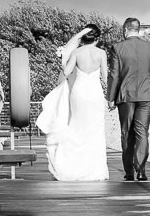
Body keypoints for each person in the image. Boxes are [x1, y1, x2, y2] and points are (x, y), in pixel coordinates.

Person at [35, 24, 109, 181]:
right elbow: (105, 77)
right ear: (97, 39)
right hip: (95, 94)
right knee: (95, 130)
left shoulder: (76, 52)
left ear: (83, 38)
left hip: (79, 93)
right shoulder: (101, 53)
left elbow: (66, 71)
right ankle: (94, 170)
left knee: (77, 127)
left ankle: (72, 166)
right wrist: (111, 97)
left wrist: (64, 59)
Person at [107, 17, 150, 181]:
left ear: (125, 30)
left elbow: (114, 75)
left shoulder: (118, 48)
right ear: (138, 30)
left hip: (126, 96)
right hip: (147, 96)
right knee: (142, 132)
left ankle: (129, 172)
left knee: (127, 133)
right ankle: (141, 170)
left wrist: (110, 97)